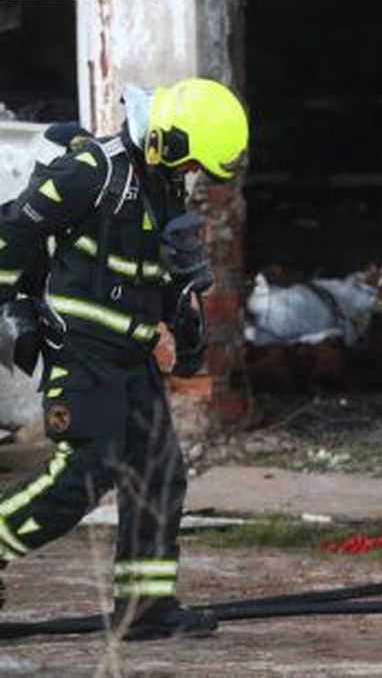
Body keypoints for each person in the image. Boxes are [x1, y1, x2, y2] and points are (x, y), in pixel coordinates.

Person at [0, 78, 248, 639]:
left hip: (130, 356)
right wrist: (12, 307)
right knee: (85, 473)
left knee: (158, 473)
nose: (191, 175)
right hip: (82, 353)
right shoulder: (93, 170)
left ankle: (145, 608)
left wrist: (182, 317)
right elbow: (12, 230)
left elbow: (148, 268)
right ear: (167, 137)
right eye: (190, 163)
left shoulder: (162, 183)